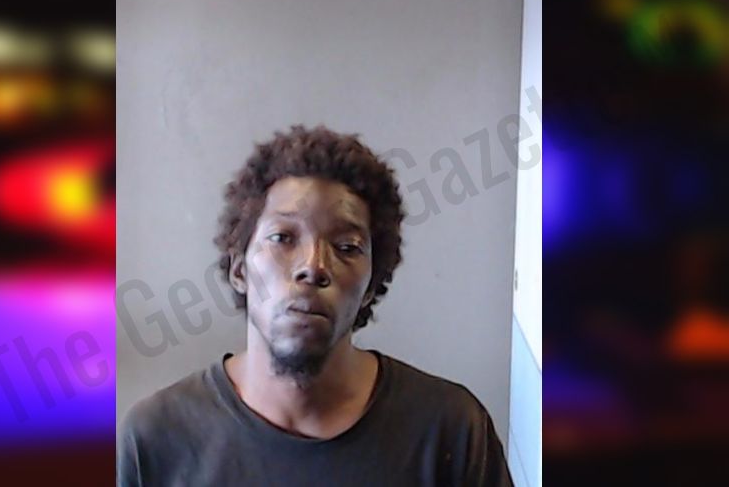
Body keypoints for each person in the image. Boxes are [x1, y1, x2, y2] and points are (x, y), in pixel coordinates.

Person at [117, 125, 513, 486]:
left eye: (347, 247)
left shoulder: (450, 430)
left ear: (371, 285)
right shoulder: (157, 437)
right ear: (239, 270)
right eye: (282, 238)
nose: (313, 266)